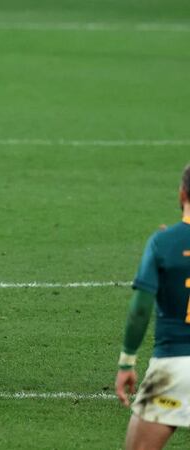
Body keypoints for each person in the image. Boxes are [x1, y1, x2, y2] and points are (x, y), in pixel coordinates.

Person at [115, 164, 190, 450]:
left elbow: (140, 310)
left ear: (181, 194)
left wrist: (126, 363)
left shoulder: (163, 243)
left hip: (173, 367)